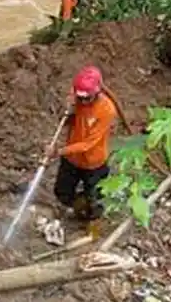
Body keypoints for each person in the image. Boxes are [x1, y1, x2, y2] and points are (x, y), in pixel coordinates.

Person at [49, 66, 119, 225]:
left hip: (93, 163)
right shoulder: (76, 99)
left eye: (87, 99)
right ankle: (76, 206)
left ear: (97, 92)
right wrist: (67, 111)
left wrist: (59, 151)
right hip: (72, 159)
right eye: (80, 98)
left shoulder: (106, 110)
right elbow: (68, 118)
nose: (83, 102)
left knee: (93, 200)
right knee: (62, 192)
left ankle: (88, 217)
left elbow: (88, 144)